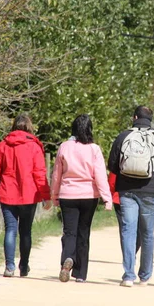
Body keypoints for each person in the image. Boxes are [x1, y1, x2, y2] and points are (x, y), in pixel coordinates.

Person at [108, 105, 154, 287]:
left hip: (127, 190)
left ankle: (128, 275)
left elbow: (112, 164)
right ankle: (144, 276)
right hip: (150, 190)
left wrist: (125, 172)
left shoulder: (124, 136)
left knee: (128, 230)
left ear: (134, 117)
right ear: (150, 119)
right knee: (147, 233)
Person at [0, 114, 52, 278]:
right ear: (29, 127)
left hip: (8, 194)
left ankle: (10, 266)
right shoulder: (34, 147)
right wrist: (46, 196)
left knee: (10, 230)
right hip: (29, 195)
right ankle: (24, 266)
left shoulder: (3, 146)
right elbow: (40, 174)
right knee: (26, 231)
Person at [51, 114, 112, 283]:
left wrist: (54, 195)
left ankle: (67, 260)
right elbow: (100, 175)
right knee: (83, 233)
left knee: (69, 231)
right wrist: (107, 198)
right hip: (88, 196)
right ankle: (80, 274)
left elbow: (57, 174)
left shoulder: (64, 147)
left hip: (67, 194)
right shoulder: (94, 149)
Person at [108, 172, 154, 254]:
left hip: (122, 195)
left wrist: (111, 193)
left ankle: (129, 258)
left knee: (126, 230)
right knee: (141, 230)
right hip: (147, 195)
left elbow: (113, 173)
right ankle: (131, 256)